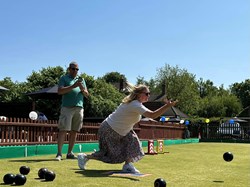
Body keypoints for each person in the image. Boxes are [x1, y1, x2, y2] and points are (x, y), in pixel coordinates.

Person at [77, 82, 177, 173]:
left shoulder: (136, 104)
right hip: (109, 129)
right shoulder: (135, 104)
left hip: (122, 131)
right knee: (109, 154)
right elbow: (152, 115)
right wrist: (167, 106)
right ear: (139, 94)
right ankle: (84, 157)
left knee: (133, 141)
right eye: (146, 93)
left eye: (149, 94)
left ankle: (128, 165)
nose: (148, 96)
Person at [55, 62, 89, 161]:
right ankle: (59, 154)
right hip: (67, 108)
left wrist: (82, 89)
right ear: (69, 69)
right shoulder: (64, 78)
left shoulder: (81, 79)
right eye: (73, 69)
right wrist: (73, 86)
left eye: (77, 69)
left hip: (79, 108)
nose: (75, 71)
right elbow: (60, 91)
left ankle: (69, 153)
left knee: (74, 131)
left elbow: (87, 95)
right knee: (63, 130)